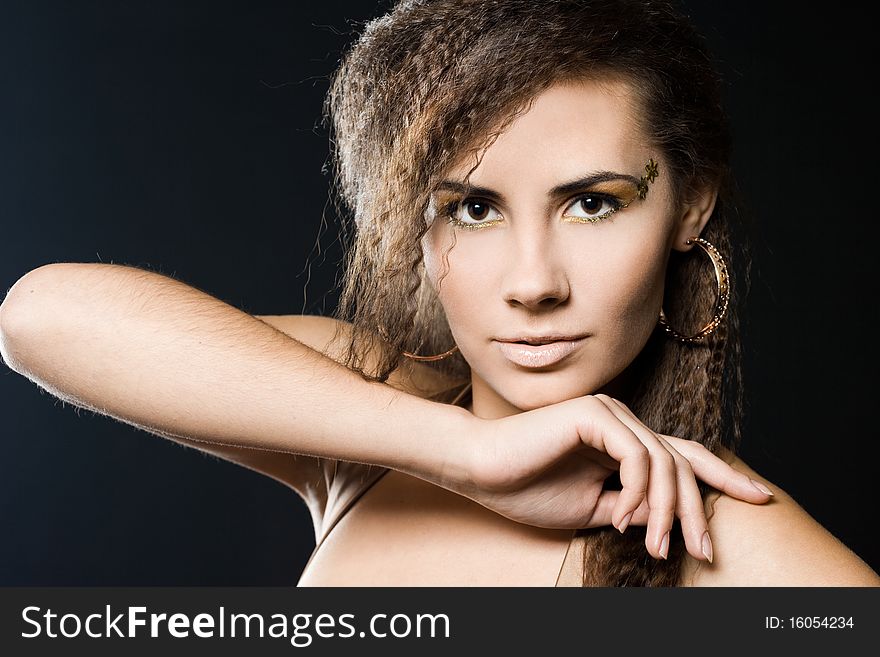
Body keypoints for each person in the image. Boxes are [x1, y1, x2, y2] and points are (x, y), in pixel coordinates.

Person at [1, 0, 877, 587]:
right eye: (473, 207)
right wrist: (467, 454)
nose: (534, 283)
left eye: (592, 202)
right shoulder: (375, 421)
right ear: (415, 226)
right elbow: (40, 315)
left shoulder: (728, 543)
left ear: (690, 207)